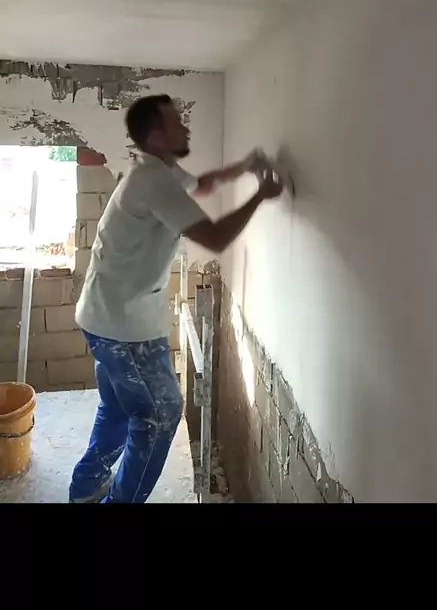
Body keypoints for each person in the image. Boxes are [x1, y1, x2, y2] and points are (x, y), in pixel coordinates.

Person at [69, 93, 282, 503]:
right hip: (124, 328)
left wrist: (244, 166)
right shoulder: (154, 182)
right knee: (160, 415)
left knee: (119, 409)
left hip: (103, 317)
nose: (186, 128)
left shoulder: (157, 172)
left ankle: (84, 489)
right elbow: (215, 237)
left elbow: (203, 184)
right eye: (177, 123)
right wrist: (261, 194)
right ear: (156, 137)